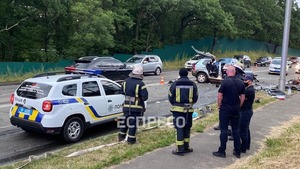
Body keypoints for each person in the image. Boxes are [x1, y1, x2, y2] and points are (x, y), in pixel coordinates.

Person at [213, 66, 245, 158]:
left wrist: (219, 106)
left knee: (224, 130)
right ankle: (237, 151)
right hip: (236, 110)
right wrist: (239, 106)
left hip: (225, 110)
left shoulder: (225, 82)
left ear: (227, 72)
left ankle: (222, 151)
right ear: (234, 72)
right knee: (236, 130)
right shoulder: (240, 82)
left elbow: (219, 96)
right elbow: (242, 97)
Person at [168, 68, 198, 156]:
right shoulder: (193, 84)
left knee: (179, 128)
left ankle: (180, 149)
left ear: (180, 74)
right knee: (187, 127)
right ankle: (186, 147)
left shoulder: (175, 84)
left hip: (178, 110)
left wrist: (175, 104)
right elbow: (195, 97)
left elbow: (170, 96)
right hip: (189, 110)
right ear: (187, 74)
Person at [118, 65, 148, 144]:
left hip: (126, 106)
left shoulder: (125, 81)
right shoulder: (141, 84)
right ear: (141, 74)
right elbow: (145, 97)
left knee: (124, 122)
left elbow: (122, 92)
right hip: (136, 108)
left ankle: (121, 137)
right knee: (133, 124)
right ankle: (131, 140)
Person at [240, 74, 255, 153]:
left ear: (250, 81)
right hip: (247, 110)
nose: (244, 81)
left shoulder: (249, 91)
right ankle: (247, 145)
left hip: (246, 111)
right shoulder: (249, 89)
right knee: (246, 129)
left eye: (245, 80)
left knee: (243, 129)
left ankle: (243, 147)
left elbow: (241, 98)